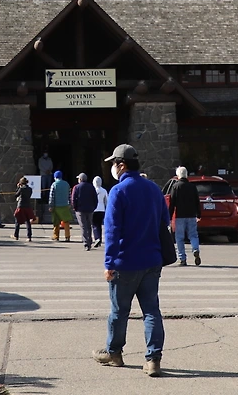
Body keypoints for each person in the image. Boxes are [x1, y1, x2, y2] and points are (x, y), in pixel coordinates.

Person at [94, 143, 167, 377]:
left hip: (125, 262)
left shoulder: (118, 191)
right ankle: (153, 360)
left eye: (114, 164)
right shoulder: (154, 188)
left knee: (119, 311)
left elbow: (112, 231)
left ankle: (114, 353)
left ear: (122, 165)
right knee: (151, 311)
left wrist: (109, 263)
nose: (113, 168)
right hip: (152, 260)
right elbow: (164, 221)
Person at [168, 166, 202, 266]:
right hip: (191, 215)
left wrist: (169, 216)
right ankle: (195, 249)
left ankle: (182, 258)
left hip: (180, 216)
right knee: (193, 235)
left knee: (179, 238)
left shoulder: (175, 186)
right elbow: (197, 201)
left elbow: (172, 203)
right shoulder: (192, 187)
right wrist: (198, 214)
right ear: (186, 175)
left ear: (178, 175)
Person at [71, 172, 99, 250]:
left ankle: (86, 243)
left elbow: (73, 198)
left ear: (80, 179)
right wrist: (94, 207)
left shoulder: (76, 187)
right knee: (89, 225)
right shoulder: (91, 187)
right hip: (90, 209)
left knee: (83, 226)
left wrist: (75, 207)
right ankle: (89, 241)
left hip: (80, 209)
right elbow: (95, 198)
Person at [50, 170, 73, 242]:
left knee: (56, 222)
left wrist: (51, 206)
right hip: (65, 205)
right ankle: (67, 236)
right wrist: (70, 204)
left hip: (56, 206)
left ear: (55, 177)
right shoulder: (66, 184)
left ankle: (56, 236)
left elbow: (51, 196)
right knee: (66, 222)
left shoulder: (54, 184)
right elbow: (69, 195)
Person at [14, 176, 36, 241]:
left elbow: (16, 195)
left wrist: (18, 187)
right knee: (27, 221)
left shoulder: (21, 189)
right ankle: (29, 236)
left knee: (17, 221)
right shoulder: (30, 189)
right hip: (28, 206)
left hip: (21, 205)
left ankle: (16, 235)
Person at [37, 150, 54, 223]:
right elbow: (40, 166)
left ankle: (48, 199)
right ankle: (43, 199)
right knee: (43, 187)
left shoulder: (49, 160)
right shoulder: (40, 160)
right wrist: (45, 171)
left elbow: (51, 166)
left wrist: (49, 170)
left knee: (49, 187)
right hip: (43, 174)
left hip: (49, 174)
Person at [92, 175, 108, 248]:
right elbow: (106, 201)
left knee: (94, 225)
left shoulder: (93, 190)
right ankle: (100, 239)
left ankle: (97, 238)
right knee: (99, 225)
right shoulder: (104, 190)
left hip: (94, 209)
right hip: (102, 210)